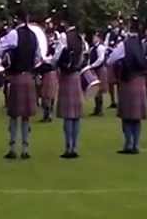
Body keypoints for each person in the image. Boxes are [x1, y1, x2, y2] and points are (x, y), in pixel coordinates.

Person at [0, 9, 41, 160]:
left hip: (16, 77)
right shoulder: (34, 35)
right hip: (28, 76)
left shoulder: (13, 34)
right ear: (28, 18)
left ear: (17, 19)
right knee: (26, 116)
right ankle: (25, 148)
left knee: (13, 115)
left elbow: (1, 49)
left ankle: (12, 148)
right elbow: (38, 57)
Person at [107, 16, 147, 154]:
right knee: (136, 117)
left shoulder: (123, 44)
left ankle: (128, 144)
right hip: (140, 80)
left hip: (127, 81)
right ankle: (136, 144)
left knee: (126, 116)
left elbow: (111, 59)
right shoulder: (142, 43)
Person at [48, 16, 85, 158]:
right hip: (76, 75)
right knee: (75, 116)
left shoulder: (64, 36)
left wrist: (50, 63)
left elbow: (57, 56)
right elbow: (82, 57)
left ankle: (68, 147)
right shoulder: (80, 38)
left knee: (68, 116)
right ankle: (75, 146)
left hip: (66, 76)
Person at [38, 27, 59, 122]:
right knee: (44, 95)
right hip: (44, 73)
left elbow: (54, 60)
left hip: (50, 72)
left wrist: (45, 59)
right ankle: (47, 114)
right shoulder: (43, 47)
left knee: (48, 95)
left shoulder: (53, 47)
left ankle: (48, 115)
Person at [104, 20, 124, 109]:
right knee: (111, 82)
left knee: (120, 82)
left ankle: (121, 100)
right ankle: (113, 101)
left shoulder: (123, 33)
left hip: (120, 59)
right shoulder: (109, 34)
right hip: (112, 57)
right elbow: (105, 45)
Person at [89, 32, 108, 116]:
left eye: (95, 37)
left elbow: (101, 59)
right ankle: (97, 108)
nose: (93, 39)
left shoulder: (100, 47)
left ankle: (100, 109)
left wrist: (92, 65)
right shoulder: (92, 48)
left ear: (99, 38)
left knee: (99, 89)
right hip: (95, 69)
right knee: (95, 89)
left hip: (100, 69)